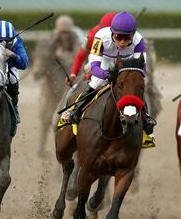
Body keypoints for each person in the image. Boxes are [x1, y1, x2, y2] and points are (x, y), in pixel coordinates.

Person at [63, 11, 157, 147]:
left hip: (127, 64)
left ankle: (146, 119)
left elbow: (141, 68)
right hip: (105, 62)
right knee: (96, 82)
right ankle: (75, 109)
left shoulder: (139, 41)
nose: (123, 42)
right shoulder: (100, 37)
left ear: (133, 35)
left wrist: (129, 78)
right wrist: (106, 75)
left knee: (135, 87)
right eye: (119, 37)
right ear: (112, 33)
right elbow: (94, 66)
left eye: (127, 38)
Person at [66, 12, 115, 86]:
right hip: (98, 64)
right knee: (89, 69)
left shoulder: (127, 36)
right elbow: (81, 55)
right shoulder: (93, 35)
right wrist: (73, 74)